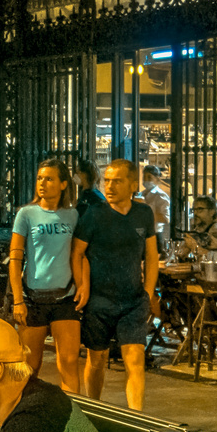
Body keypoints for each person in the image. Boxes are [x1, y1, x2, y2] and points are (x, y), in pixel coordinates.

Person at [72, 158, 160, 411]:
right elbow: (77, 253)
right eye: (107, 181)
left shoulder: (143, 213)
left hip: (132, 300)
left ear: (133, 185)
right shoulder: (94, 214)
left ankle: (137, 419)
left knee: (135, 358)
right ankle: (94, 409)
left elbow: (151, 256)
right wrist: (82, 287)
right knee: (96, 358)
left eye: (117, 181)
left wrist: (148, 293)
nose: (109, 186)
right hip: (98, 301)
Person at [9, 157, 83, 392]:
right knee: (30, 366)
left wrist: (83, 287)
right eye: (40, 178)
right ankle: (25, 415)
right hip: (33, 299)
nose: (42, 183)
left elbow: (80, 255)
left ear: (63, 184)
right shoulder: (26, 214)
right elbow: (15, 258)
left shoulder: (73, 216)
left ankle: (74, 420)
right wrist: (18, 299)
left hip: (65, 298)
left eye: (49, 179)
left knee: (69, 362)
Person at [178, 194, 217, 258]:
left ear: (212, 212)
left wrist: (193, 245)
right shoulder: (198, 230)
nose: (195, 213)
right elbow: (181, 254)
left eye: (200, 209)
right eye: (194, 209)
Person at [138, 164, 171, 251]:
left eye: (149, 177)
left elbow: (165, 218)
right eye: (144, 177)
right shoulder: (141, 194)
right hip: (141, 236)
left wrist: (146, 215)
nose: (146, 180)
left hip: (155, 235)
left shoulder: (160, 195)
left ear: (157, 179)